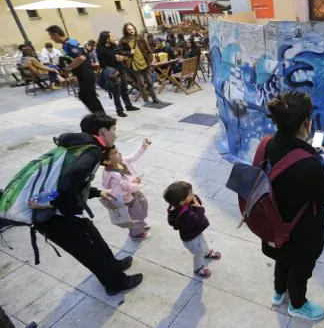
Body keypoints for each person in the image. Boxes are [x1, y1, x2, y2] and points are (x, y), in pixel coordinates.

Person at [31, 113, 143, 296]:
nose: (116, 134)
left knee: (96, 242)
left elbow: (75, 182)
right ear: (102, 132)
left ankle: (114, 266)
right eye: (114, 130)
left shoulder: (82, 145)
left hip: (66, 211)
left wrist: (97, 192)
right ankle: (116, 283)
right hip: (58, 219)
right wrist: (49, 203)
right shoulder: (91, 154)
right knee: (91, 252)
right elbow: (68, 184)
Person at [262, 91, 324, 322]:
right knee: (300, 270)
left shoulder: (268, 144)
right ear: (307, 123)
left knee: (282, 259)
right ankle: (297, 304)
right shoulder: (310, 166)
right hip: (301, 232)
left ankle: (279, 293)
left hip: (274, 226)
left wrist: (307, 151)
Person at [164, 181, 222, 278]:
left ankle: (207, 253)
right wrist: (200, 209)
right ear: (182, 201)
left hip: (195, 233)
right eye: (190, 193)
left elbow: (196, 204)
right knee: (199, 251)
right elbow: (198, 220)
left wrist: (195, 200)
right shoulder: (185, 215)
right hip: (191, 238)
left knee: (203, 242)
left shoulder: (179, 205)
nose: (193, 194)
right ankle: (198, 268)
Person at [101, 138, 152, 240]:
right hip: (127, 199)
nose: (119, 153)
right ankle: (136, 233)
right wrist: (136, 183)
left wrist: (143, 146)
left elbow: (134, 156)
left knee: (143, 205)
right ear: (107, 161)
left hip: (135, 192)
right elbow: (126, 187)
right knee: (134, 214)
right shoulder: (114, 175)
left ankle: (141, 222)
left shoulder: (122, 162)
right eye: (115, 153)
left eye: (117, 150)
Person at [46, 25, 105, 113]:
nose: (51, 38)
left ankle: (102, 119)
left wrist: (68, 68)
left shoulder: (68, 44)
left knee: (87, 97)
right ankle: (100, 117)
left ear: (56, 34)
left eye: (50, 35)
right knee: (87, 97)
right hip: (84, 73)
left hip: (85, 74)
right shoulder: (70, 42)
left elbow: (81, 58)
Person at [95, 31, 140, 117]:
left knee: (124, 90)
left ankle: (128, 106)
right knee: (116, 93)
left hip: (121, 71)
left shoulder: (114, 46)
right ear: (107, 39)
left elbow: (120, 53)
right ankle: (119, 110)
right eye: (111, 36)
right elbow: (103, 65)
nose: (114, 37)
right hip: (113, 74)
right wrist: (114, 62)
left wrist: (126, 55)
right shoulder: (100, 49)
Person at [119, 23, 161, 106]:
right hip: (134, 64)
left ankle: (154, 98)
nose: (131, 31)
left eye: (132, 29)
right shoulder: (123, 40)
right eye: (129, 29)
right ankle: (146, 100)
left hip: (145, 63)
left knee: (149, 82)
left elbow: (148, 50)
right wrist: (128, 52)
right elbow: (120, 51)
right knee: (141, 84)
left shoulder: (140, 38)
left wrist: (149, 60)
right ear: (126, 31)